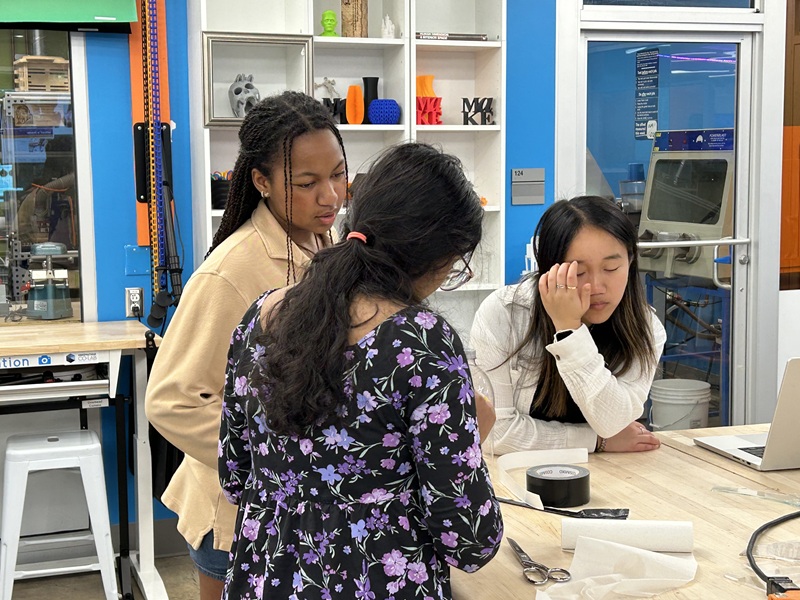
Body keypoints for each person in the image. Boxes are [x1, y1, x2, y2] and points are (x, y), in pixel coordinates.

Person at [219, 142, 503, 599]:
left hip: (265, 578)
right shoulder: (419, 341)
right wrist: (470, 445)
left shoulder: (262, 316)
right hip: (372, 582)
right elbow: (469, 540)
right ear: (440, 256)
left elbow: (234, 475)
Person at [145, 90, 348, 600]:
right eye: (307, 183)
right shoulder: (230, 272)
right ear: (261, 182)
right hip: (237, 515)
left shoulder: (322, 243)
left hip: (299, 506)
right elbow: (170, 400)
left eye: (338, 174)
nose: (330, 196)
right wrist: (266, 456)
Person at [470, 195, 667, 456]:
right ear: (548, 270)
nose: (596, 287)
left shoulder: (646, 327)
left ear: (630, 263)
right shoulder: (503, 314)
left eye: (611, 268)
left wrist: (571, 331)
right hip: (519, 472)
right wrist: (596, 441)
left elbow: (612, 422)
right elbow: (494, 433)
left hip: (616, 471)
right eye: (579, 272)